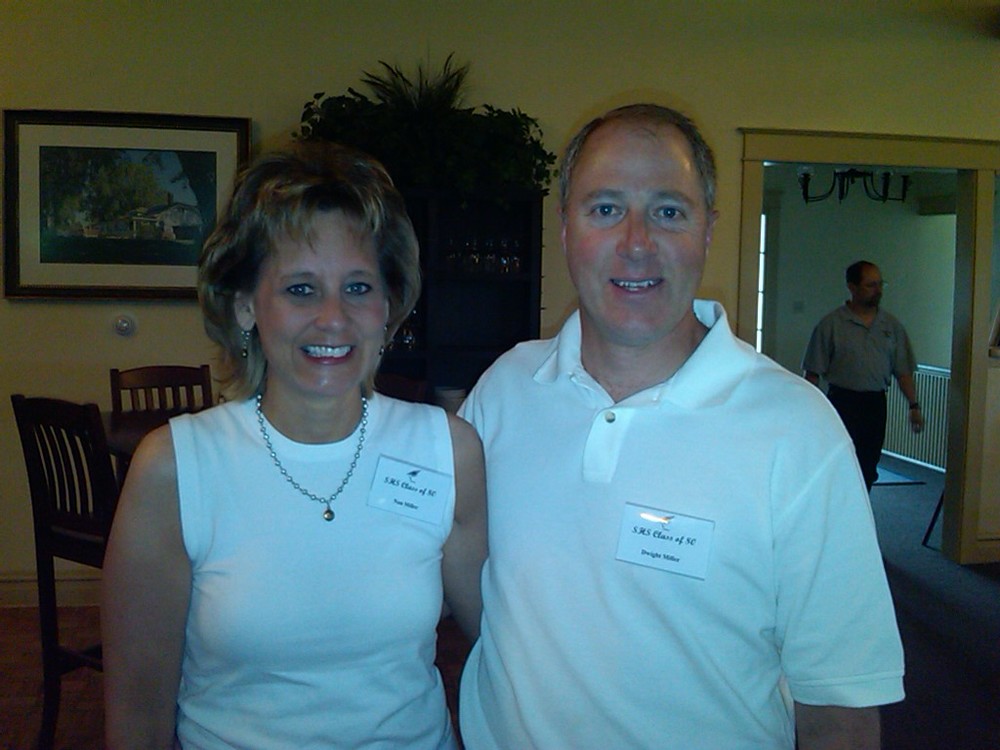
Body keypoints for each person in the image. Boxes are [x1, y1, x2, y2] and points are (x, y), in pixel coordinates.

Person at [457, 104, 904, 749]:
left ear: (708, 230)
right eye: (605, 208)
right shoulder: (505, 389)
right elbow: (481, 594)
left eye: (668, 211)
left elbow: (841, 708)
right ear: (565, 227)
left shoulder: (799, 431)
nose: (637, 242)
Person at [102, 142, 487, 749]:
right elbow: (136, 717)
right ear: (245, 306)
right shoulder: (174, 468)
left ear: (388, 307)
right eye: (301, 289)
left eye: (358, 287)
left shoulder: (447, 451)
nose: (333, 318)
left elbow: (507, 641)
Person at [802, 260, 924, 491]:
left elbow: (903, 372)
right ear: (852, 287)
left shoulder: (891, 326)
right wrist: (808, 413)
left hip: (874, 404)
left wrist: (913, 405)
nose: (878, 290)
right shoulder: (831, 325)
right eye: (870, 285)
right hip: (842, 402)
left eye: (880, 284)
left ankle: (862, 508)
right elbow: (812, 374)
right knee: (840, 463)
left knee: (868, 466)